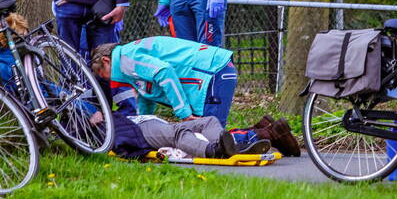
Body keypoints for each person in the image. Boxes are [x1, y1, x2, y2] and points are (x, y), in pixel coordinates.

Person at [89, 36, 238, 124]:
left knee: (212, 134)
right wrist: (143, 121)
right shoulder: (127, 62)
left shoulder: (126, 59)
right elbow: (146, 93)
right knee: (207, 133)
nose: (104, 78)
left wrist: (182, 111)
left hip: (214, 71)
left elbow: (164, 73)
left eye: (101, 72)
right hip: (214, 71)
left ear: (106, 60)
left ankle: (254, 137)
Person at [107, 113, 271, 160]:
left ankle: (231, 148)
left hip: (150, 122)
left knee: (209, 121)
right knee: (177, 133)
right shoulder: (97, 116)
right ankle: (214, 151)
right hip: (138, 129)